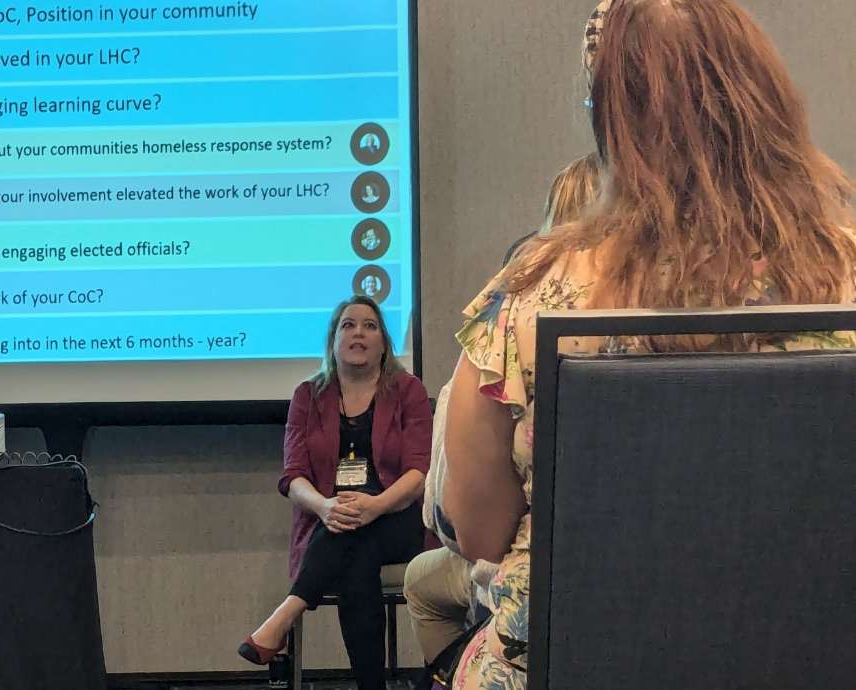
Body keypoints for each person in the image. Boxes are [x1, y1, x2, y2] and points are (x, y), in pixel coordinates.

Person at [443, 2, 856, 689]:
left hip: (562, 664)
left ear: (611, 121)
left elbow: (478, 532)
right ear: (767, 98)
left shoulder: (529, 295)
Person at [403, 152, 601, 668]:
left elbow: (477, 535)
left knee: (428, 584)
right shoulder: (828, 273)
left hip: (557, 628)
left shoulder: (518, 307)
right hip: (768, 625)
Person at [239, 295, 433, 690]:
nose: (358, 332)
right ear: (333, 341)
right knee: (356, 554)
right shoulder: (308, 397)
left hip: (399, 518)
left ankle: (288, 611)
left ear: (384, 344)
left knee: (353, 536)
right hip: (331, 522)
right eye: (348, 325)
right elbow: (293, 477)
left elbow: (419, 471)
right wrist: (325, 506)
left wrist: (376, 506)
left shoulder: (408, 392)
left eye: (369, 325)